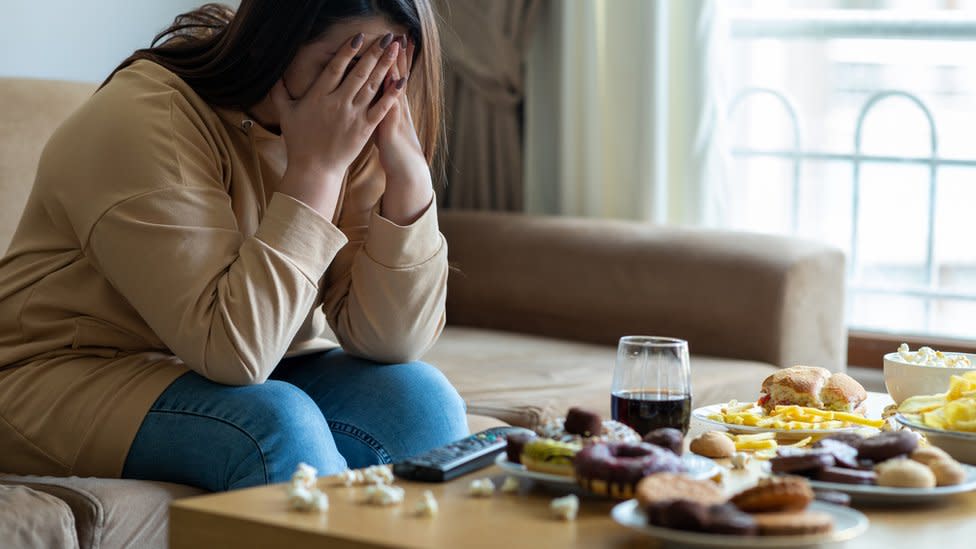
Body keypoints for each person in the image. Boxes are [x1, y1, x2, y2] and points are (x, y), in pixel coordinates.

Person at [0, 0, 468, 492]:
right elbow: (234, 352)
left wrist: (410, 176)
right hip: (63, 375)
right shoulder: (143, 118)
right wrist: (317, 172)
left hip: (228, 368)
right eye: (346, 64)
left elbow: (389, 339)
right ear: (275, 43)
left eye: (385, 68)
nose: (363, 90)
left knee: (420, 403)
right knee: (276, 425)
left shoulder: (354, 125)